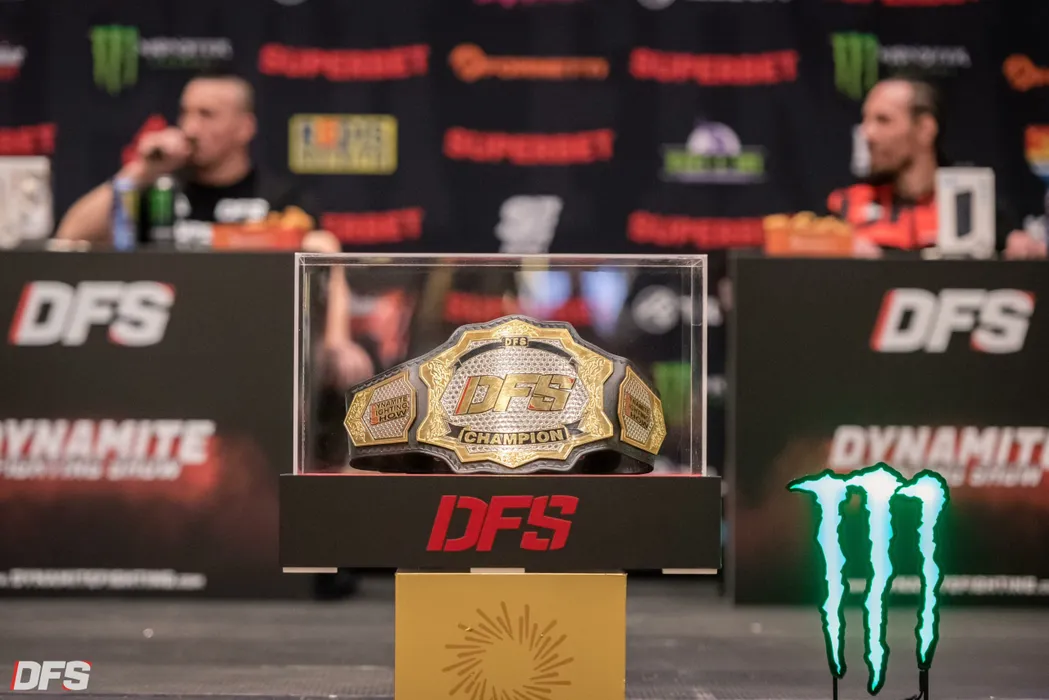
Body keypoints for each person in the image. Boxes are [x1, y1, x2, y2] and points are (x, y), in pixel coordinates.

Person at [56, 69, 322, 246]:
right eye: (185, 113)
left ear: (245, 128)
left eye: (207, 115)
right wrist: (142, 170)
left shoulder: (281, 200)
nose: (190, 128)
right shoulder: (159, 193)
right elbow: (71, 237)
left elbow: (315, 255)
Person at [826, 75, 1047, 259]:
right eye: (865, 120)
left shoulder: (976, 209)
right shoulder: (846, 205)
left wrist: (1023, 249)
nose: (867, 133)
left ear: (925, 129)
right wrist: (840, 248)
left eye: (883, 120)